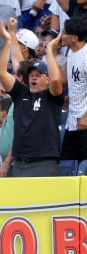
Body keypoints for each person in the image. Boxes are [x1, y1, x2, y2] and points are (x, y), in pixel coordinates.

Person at [0, 23, 63, 177]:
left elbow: (57, 81)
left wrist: (50, 52)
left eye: (39, 74)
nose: (33, 76)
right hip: (19, 164)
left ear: (47, 79)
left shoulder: (51, 97)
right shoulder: (21, 94)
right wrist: (7, 42)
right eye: (31, 74)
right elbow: (1, 72)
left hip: (45, 164)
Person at [60, 18, 87, 161]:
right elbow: (74, 80)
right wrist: (70, 95)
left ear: (75, 38)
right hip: (72, 123)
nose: (61, 35)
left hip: (84, 122)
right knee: (67, 165)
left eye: (64, 32)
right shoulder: (70, 52)